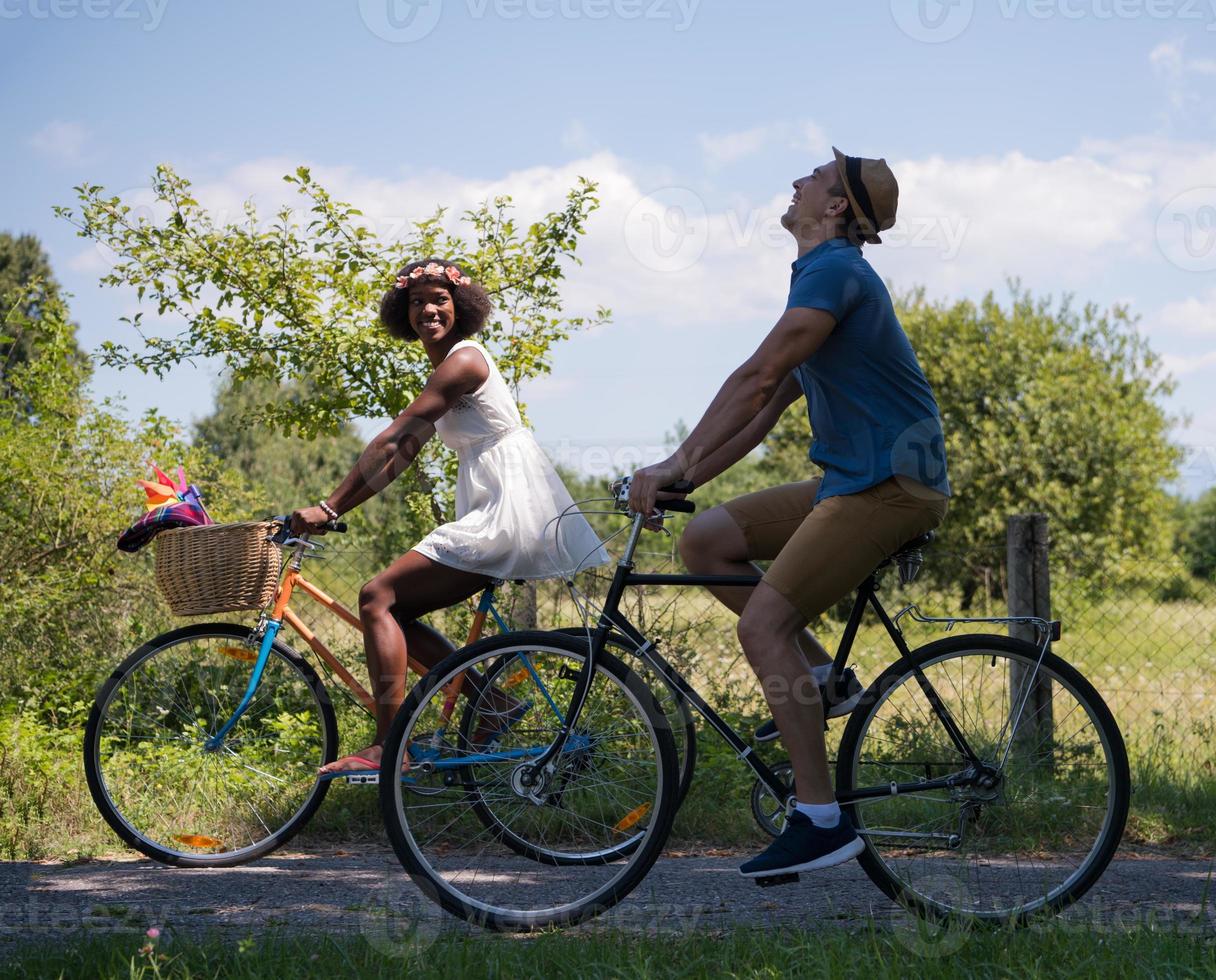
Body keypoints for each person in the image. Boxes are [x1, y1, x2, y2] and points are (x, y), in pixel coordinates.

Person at [628, 149, 951, 879]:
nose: (797, 182)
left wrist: (672, 462)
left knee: (760, 623)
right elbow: (764, 412)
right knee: (707, 539)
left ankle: (820, 818)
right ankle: (824, 680)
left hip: (891, 484)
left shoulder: (835, 273)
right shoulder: (817, 279)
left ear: (836, 206)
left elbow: (755, 375)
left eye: (813, 177)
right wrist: (683, 480)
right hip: (855, 478)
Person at [291, 259, 608, 776]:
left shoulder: (465, 362)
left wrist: (327, 508)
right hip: (501, 506)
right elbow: (403, 452)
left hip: (510, 509)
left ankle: (389, 749)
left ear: (461, 307)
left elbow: (394, 438)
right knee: (394, 610)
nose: (428, 310)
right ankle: (492, 702)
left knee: (377, 597)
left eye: (439, 299)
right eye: (417, 302)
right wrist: (337, 506)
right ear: (403, 312)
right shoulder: (445, 370)